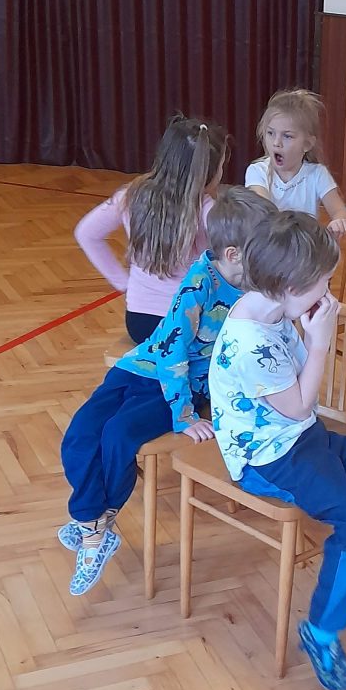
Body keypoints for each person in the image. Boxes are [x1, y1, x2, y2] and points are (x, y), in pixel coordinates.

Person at [208, 211, 346, 690]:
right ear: (290, 286)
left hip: (301, 437)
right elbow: (299, 405)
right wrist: (320, 342)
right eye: (324, 281)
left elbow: (299, 407)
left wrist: (307, 329)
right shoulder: (248, 342)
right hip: (267, 459)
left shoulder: (275, 308)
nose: (329, 289)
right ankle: (321, 632)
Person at [59, 188, 274, 596]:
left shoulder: (254, 288)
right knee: (80, 432)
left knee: (118, 435)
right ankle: (93, 522)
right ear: (233, 255)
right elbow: (172, 350)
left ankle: (92, 529)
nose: (268, 261)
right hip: (144, 368)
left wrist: (190, 410)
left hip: (181, 384)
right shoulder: (200, 285)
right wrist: (185, 415)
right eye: (261, 252)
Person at [75, 115, 227, 343]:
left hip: (139, 322)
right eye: (222, 166)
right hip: (188, 324)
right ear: (209, 172)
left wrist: (123, 283)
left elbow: (86, 233)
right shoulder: (207, 209)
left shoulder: (131, 195)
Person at [244, 88, 346, 235]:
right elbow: (265, 213)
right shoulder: (257, 171)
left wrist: (339, 222)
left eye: (287, 136)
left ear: (307, 144)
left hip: (306, 247)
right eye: (270, 133)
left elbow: (339, 211)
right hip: (269, 246)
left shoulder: (317, 174)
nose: (276, 143)